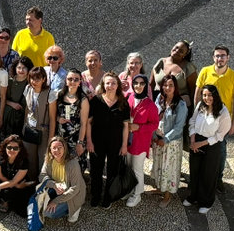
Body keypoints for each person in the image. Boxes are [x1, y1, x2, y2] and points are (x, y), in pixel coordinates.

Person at [194, 45, 234, 190]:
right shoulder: (205, 71)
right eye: (217, 56)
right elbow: (197, 94)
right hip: (205, 117)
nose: (220, 58)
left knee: (220, 149)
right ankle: (201, 176)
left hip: (222, 120)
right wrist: (195, 115)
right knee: (202, 146)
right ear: (213, 57)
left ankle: (218, 178)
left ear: (228, 57)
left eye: (222, 55)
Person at [86, 72, 130, 208]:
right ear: (103, 85)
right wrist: (89, 141)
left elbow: (125, 126)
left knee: (113, 171)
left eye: (113, 83)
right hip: (97, 141)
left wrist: (124, 145)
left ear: (118, 85)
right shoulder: (96, 101)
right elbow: (88, 123)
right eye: (108, 83)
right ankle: (95, 195)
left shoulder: (123, 103)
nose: (110, 86)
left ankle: (108, 197)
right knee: (96, 170)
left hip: (115, 143)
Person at [186, 84, 231, 214]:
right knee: (195, 171)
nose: (207, 98)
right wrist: (193, 139)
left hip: (211, 145)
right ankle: (193, 196)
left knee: (208, 174)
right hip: (197, 140)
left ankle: (206, 201)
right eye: (204, 95)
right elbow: (192, 121)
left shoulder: (223, 112)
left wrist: (200, 144)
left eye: (210, 95)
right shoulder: (200, 105)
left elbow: (220, 135)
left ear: (215, 95)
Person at [152, 76, 188, 208]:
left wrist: (165, 139)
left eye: (171, 85)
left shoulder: (180, 104)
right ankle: (159, 188)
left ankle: (167, 194)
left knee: (169, 168)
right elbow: (153, 117)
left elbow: (179, 127)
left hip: (171, 143)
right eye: (165, 85)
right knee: (159, 164)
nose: (167, 88)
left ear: (175, 87)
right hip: (158, 139)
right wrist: (154, 136)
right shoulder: (159, 99)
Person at [125, 74, 159, 208]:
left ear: (146, 85)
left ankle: (137, 193)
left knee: (137, 168)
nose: (138, 86)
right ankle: (129, 189)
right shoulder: (130, 98)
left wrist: (139, 127)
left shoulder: (150, 105)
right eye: (136, 83)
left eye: (141, 83)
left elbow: (154, 124)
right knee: (127, 166)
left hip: (140, 141)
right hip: (127, 139)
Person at [38, 137, 86, 223]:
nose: (57, 150)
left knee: (49, 213)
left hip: (73, 193)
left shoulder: (72, 163)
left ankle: (75, 208)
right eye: (54, 148)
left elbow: (75, 188)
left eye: (60, 147)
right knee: (38, 207)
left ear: (65, 148)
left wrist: (56, 201)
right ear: (50, 150)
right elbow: (42, 176)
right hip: (57, 188)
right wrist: (54, 185)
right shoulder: (48, 159)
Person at [22, 66, 57, 180]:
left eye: (38, 79)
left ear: (43, 79)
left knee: (43, 161)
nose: (34, 81)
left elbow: (52, 117)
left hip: (44, 131)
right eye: (32, 78)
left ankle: (43, 187)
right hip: (30, 130)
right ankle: (32, 186)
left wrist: (51, 138)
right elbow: (27, 109)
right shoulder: (28, 89)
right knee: (30, 160)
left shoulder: (50, 93)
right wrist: (24, 126)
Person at [0, 134, 33, 215]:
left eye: (15, 148)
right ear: (5, 147)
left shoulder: (24, 161)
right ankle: (5, 201)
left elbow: (15, 180)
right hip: (5, 182)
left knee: (22, 212)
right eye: (9, 147)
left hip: (19, 182)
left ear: (20, 149)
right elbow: (1, 177)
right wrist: (16, 185)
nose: (12, 150)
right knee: (6, 192)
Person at [54, 68, 89, 164]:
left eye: (76, 79)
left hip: (75, 139)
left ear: (80, 82)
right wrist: (58, 119)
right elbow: (53, 114)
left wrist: (80, 143)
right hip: (60, 138)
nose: (73, 81)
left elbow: (83, 123)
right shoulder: (59, 95)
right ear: (66, 80)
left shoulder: (83, 100)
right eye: (70, 79)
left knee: (76, 166)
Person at [149, 40, 196, 106]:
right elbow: (151, 85)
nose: (177, 51)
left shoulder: (188, 68)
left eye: (181, 51)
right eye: (176, 47)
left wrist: (193, 109)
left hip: (179, 106)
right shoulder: (160, 62)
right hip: (158, 103)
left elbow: (193, 91)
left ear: (185, 55)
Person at [2, 56, 32, 139]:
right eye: (19, 67)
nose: (21, 70)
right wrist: (12, 104)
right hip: (8, 117)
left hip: (22, 118)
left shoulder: (31, 83)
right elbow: (2, 98)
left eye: (24, 68)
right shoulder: (10, 81)